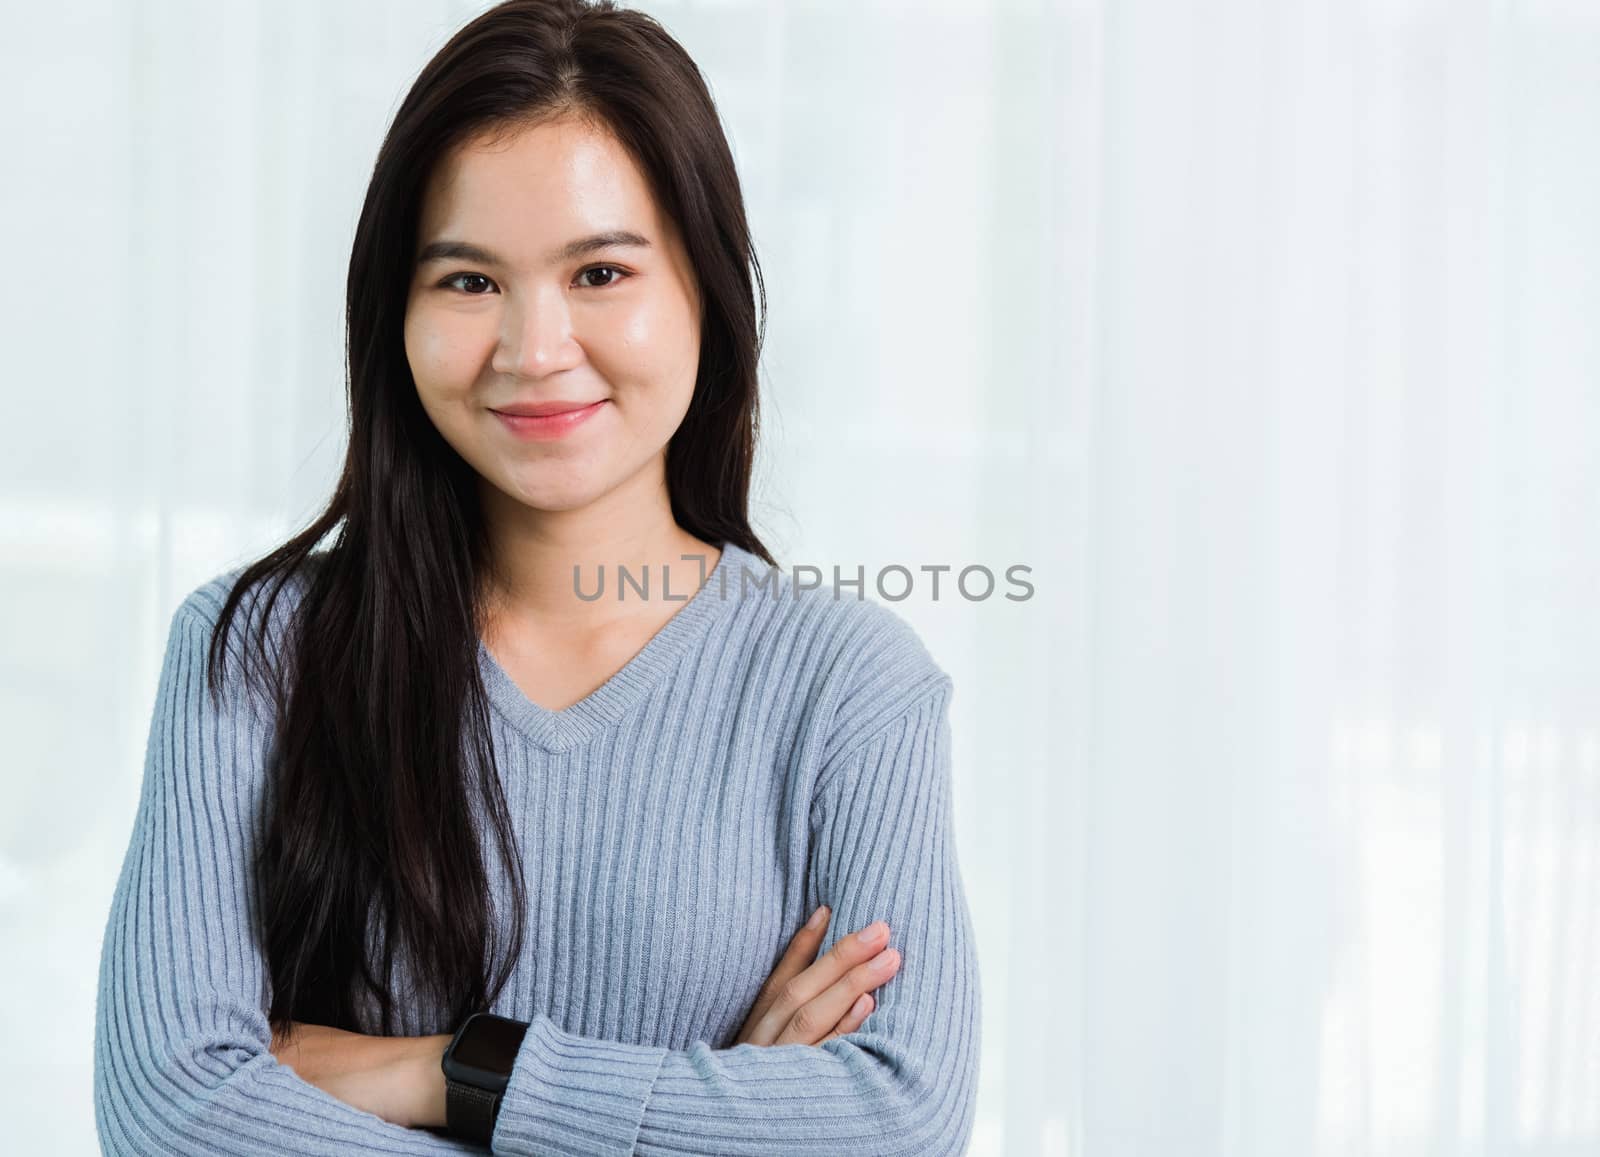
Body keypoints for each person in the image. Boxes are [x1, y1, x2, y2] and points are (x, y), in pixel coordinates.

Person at [92, 1, 981, 1152]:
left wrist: (447, 1071)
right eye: (469, 282)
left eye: (600, 271)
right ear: (394, 315)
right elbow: (171, 1112)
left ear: (705, 291)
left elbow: (895, 1122)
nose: (534, 347)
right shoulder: (253, 648)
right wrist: (707, 1113)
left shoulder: (848, 687)